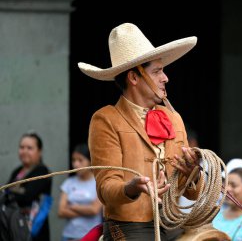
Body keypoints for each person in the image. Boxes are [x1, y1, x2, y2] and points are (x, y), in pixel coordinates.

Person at [77, 23, 204, 240]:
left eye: (162, 70)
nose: (165, 78)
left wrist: (193, 172)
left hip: (172, 221)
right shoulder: (106, 119)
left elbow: (190, 191)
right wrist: (131, 188)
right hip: (130, 226)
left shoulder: (174, 118)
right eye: (157, 71)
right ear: (134, 78)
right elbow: (106, 187)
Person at [7, 131, 52, 241]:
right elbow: (5, 192)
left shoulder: (42, 171)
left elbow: (27, 197)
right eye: (22, 147)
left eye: (29, 148)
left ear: (39, 151)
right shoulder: (17, 171)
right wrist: (17, 192)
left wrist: (12, 193)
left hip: (34, 229)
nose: (24, 151)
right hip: (16, 226)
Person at [58, 143, 103, 241]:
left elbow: (95, 210)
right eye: (74, 160)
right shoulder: (68, 183)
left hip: (92, 236)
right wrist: (87, 210)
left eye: (80, 160)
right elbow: (61, 211)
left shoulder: (98, 183)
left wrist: (73, 207)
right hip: (69, 236)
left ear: (90, 161)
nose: (76, 164)